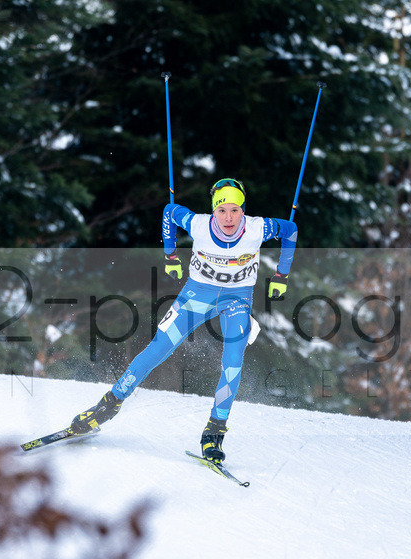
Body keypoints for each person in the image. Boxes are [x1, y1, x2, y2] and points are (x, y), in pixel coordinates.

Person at [70, 178, 298, 463]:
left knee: (233, 361)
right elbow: (169, 211)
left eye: (235, 210)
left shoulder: (258, 228)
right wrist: (170, 255)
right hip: (197, 294)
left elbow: (290, 230)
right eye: (222, 210)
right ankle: (108, 405)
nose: (229, 218)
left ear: (243, 210)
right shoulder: (198, 224)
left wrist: (281, 274)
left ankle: (214, 433)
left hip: (236, 300)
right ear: (213, 211)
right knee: (159, 346)